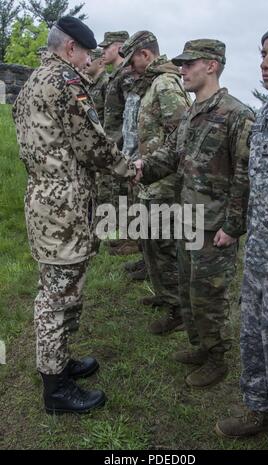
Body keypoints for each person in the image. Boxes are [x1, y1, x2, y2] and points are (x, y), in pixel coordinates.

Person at [12, 16, 134, 415]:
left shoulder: (33, 81)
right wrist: (130, 167)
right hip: (63, 205)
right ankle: (56, 388)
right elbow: (93, 145)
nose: (88, 60)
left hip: (45, 198)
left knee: (61, 288)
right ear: (70, 49)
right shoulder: (63, 83)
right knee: (57, 297)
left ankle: (60, 363)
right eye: (85, 52)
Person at [134, 39, 254, 387]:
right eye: (181, 64)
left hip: (214, 226)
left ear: (212, 66)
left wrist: (233, 227)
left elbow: (244, 177)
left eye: (189, 64)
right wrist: (140, 168)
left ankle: (217, 359)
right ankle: (200, 347)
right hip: (188, 220)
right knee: (188, 291)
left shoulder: (237, 114)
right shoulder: (191, 114)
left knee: (209, 297)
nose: (182, 70)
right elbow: (170, 157)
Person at [216, 22, 268, 449]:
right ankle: (258, 409)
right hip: (259, 260)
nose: (265, 63)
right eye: (263, 53)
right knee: (252, 340)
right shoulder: (265, 116)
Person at [120, 31, 192, 330]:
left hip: (164, 180)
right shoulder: (153, 82)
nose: (128, 67)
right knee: (150, 242)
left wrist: (156, 165)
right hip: (151, 177)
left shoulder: (164, 83)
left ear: (146, 55)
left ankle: (178, 310)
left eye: (132, 60)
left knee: (164, 245)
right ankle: (164, 295)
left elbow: (181, 132)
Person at [98, 31, 138, 256]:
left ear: (120, 46)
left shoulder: (127, 75)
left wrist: (127, 147)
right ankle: (124, 236)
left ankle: (131, 239)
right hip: (114, 142)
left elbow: (131, 112)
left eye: (107, 47)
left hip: (123, 145)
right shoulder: (118, 75)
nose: (103, 51)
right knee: (119, 192)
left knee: (126, 192)